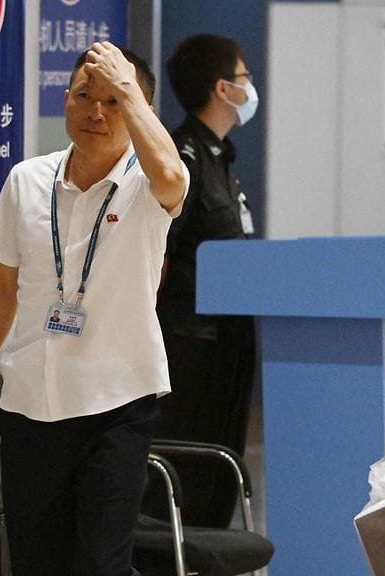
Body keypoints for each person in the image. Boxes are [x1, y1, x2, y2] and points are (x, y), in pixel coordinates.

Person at [0, 42, 188, 576]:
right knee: (35, 562)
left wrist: (130, 87)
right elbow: (1, 289)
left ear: (139, 110)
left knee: (101, 563)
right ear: (65, 99)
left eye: (114, 101)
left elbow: (171, 172)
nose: (95, 112)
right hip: (29, 406)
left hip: (116, 406)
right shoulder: (27, 181)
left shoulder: (150, 185)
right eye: (83, 97)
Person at [152, 34, 258, 528]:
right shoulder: (181, 158)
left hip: (228, 343)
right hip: (189, 346)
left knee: (222, 466)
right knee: (188, 472)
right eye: (244, 77)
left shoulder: (222, 157)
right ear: (223, 88)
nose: (250, 86)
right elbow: (160, 254)